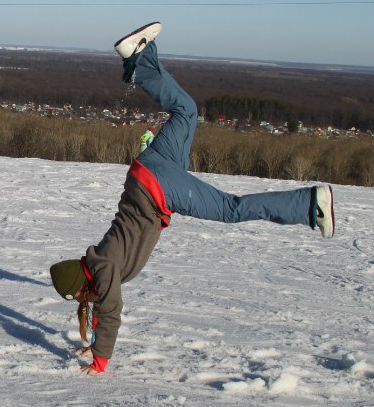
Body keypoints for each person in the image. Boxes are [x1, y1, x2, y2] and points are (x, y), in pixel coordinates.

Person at [49, 22, 336, 376]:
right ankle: (138, 59)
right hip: (148, 169)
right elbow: (99, 303)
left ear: (81, 286)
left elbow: (110, 310)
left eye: (78, 297)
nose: (83, 300)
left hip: (157, 188)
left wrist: (101, 359)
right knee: (186, 111)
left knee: (233, 209)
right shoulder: (97, 265)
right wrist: (93, 338)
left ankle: (311, 204)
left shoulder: (104, 270)